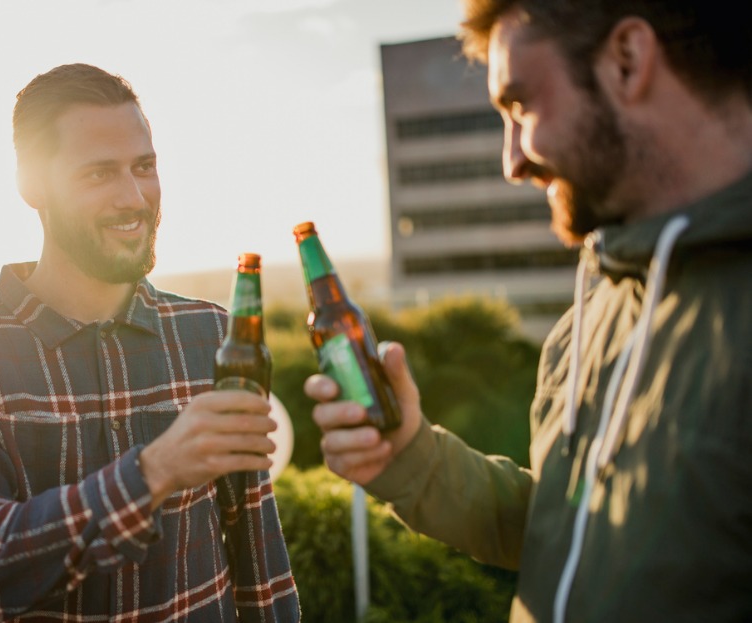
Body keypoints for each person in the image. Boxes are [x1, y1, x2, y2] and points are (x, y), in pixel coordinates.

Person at [305, 1, 752, 622]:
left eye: (521, 106)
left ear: (627, 61)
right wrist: (411, 456)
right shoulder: (593, 312)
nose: (511, 161)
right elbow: (568, 528)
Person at [0, 63, 299, 622]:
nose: (134, 197)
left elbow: (257, 553)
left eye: (144, 167)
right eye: (98, 174)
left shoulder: (212, 334)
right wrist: (154, 472)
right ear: (32, 186)